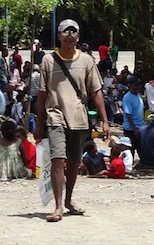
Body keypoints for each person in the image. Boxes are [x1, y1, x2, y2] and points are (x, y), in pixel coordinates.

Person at [35, 19, 109, 223]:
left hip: (79, 117)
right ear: (59, 36)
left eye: (73, 32)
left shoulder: (86, 61)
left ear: (78, 37)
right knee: (57, 159)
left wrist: (104, 120)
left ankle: (68, 200)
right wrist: (39, 124)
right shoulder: (48, 61)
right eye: (65, 33)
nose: (69, 36)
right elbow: (42, 95)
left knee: (74, 162)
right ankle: (58, 206)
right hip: (55, 116)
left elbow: (96, 91)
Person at [122, 76, 145, 154]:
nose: (138, 87)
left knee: (141, 150)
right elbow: (129, 115)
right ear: (131, 85)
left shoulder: (139, 95)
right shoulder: (127, 98)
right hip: (130, 129)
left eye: (139, 85)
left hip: (140, 127)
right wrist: (134, 129)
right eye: (136, 85)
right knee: (130, 151)